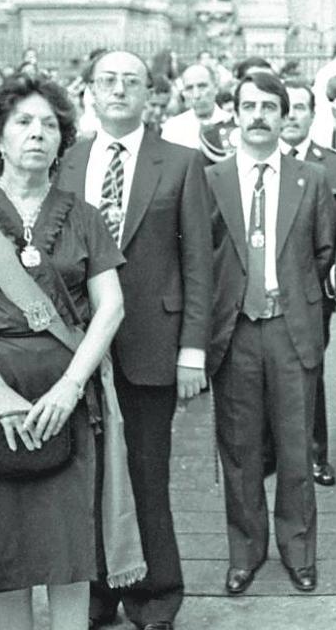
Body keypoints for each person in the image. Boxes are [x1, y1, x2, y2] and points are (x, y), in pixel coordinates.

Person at [0, 75, 140, 630]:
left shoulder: (83, 215)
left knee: (67, 550)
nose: (38, 133)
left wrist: (70, 388)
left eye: (49, 124)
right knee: (6, 554)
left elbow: (110, 307)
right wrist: (0, 396)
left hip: (64, 398)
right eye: (23, 121)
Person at [59, 51, 212, 630]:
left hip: (153, 343)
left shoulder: (180, 162)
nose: (118, 90)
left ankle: (154, 596)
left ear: (152, 93)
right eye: (108, 81)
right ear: (89, 92)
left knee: (147, 474)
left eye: (131, 82)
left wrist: (192, 348)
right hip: (77, 346)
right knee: (85, 473)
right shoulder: (68, 162)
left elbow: (200, 262)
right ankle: (95, 592)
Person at [206, 71, 336, 595]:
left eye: (269, 107)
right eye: (249, 106)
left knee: (295, 446)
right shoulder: (210, 179)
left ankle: (299, 550)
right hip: (235, 330)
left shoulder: (311, 179)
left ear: (285, 117)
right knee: (238, 449)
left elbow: (324, 250)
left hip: (291, 328)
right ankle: (245, 551)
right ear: (234, 115)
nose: (258, 116)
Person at [280, 79, 336, 487]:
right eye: (284, 107)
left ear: (313, 114)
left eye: (300, 108)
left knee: (310, 368)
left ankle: (314, 453)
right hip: (266, 287)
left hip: (315, 286)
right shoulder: (253, 163)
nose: (291, 115)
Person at [160, 64, 223, 151]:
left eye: (202, 86)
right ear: (183, 93)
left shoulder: (232, 123)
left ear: (216, 88)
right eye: (189, 88)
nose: (196, 95)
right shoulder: (173, 128)